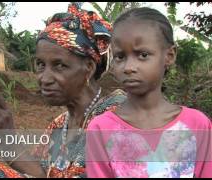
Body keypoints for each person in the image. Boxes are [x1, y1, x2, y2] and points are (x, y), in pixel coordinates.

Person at [0, 3, 126, 178]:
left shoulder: (118, 119)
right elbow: (42, 174)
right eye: (41, 65)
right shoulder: (60, 125)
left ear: (89, 68)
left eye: (59, 65)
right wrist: (7, 140)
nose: (44, 78)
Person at [86, 7, 212, 178]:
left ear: (169, 55)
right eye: (120, 57)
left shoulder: (197, 125)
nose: (129, 67)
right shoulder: (101, 129)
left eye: (143, 55)